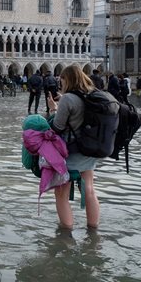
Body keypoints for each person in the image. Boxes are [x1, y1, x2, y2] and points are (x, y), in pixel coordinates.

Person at [47, 64, 103, 229]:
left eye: (62, 80)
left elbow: (57, 127)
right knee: (90, 190)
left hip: (71, 152)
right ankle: (93, 231)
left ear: (67, 80)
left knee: (61, 194)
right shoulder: (93, 94)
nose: (61, 84)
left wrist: (53, 110)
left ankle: (66, 234)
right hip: (90, 150)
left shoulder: (68, 98)